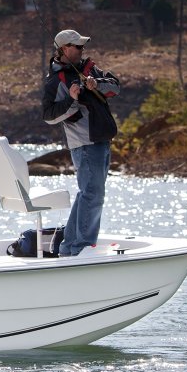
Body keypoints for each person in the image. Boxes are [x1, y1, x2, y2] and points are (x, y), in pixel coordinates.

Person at [42, 29, 121, 256]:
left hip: (101, 141)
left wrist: (97, 84)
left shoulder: (90, 69)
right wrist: (72, 99)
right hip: (84, 144)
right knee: (92, 194)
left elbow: (115, 86)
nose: (81, 50)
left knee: (89, 193)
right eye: (77, 46)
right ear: (65, 49)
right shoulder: (55, 81)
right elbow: (49, 116)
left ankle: (70, 247)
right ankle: (80, 248)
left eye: (82, 46)